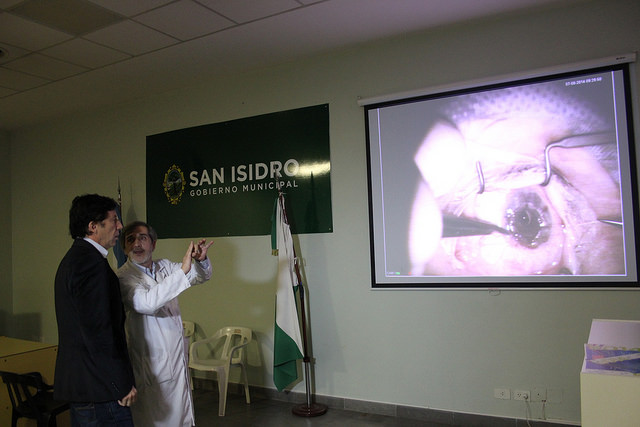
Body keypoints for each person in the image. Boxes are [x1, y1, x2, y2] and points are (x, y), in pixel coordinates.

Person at [116, 221, 213, 427]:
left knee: (181, 416)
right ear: (124, 247)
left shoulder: (165, 267)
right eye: (130, 239)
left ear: (153, 243)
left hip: (175, 358)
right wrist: (183, 270)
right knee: (156, 419)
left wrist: (200, 261)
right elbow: (147, 303)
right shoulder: (123, 277)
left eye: (142, 237)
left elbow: (198, 276)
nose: (137, 244)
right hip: (152, 364)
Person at [54, 194, 137, 426]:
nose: (120, 226)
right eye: (113, 220)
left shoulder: (76, 259)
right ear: (93, 226)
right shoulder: (90, 265)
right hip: (101, 390)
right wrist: (120, 383)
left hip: (88, 387)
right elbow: (98, 331)